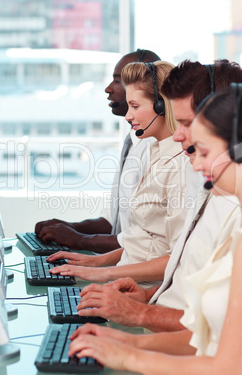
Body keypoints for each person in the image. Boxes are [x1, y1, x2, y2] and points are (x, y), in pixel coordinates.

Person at [68, 84, 242, 374]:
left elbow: (229, 366)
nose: (195, 163)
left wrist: (128, 358)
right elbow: (214, 340)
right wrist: (126, 342)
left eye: (204, 151)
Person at [74, 60, 242, 331]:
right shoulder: (210, 190)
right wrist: (143, 297)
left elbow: (218, 332)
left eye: (186, 123)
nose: (179, 136)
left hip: (156, 324)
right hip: (150, 308)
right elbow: (183, 275)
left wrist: (133, 312)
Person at [47, 61, 192, 286]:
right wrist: (94, 262)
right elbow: (142, 240)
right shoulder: (155, 152)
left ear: (162, 105)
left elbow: (178, 257)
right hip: (124, 280)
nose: (127, 116)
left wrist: (103, 273)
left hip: (142, 289)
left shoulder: (182, 165)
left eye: (135, 106)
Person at [34, 49, 161, 254]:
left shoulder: (155, 148)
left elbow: (146, 241)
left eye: (118, 81)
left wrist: (79, 240)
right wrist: (68, 228)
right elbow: (113, 221)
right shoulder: (133, 139)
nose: (108, 89)